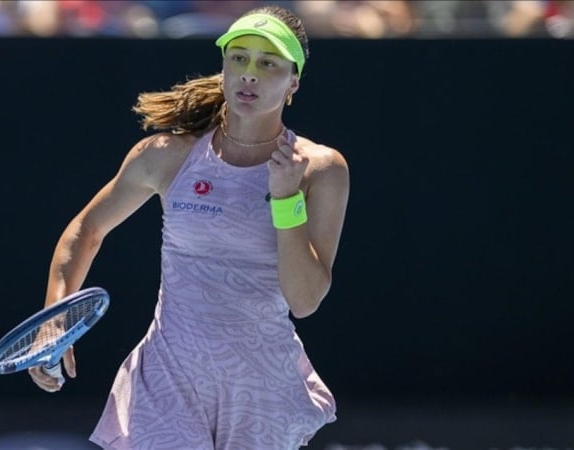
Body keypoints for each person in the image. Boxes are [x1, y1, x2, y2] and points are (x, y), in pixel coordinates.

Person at [28, 5, 349, 449]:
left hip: (259, 390)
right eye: (239, 58)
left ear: (294, 81)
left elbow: (305, 300)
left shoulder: (321, 170)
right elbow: (87, 230)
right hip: (168, 380)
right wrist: (53, 320)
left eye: (268, 63)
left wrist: (286, 199)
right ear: (224, 66)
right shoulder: (166, 155)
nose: (249, 73)